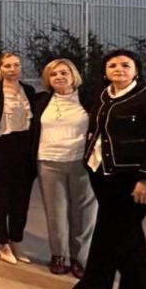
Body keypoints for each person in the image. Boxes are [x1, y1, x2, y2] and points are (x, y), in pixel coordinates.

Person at [74, 50, 146, 289]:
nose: (118, 69)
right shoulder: (102, 96)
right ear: (105, 71)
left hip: (134, 178)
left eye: (125, 65)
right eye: (112, 65)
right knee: (125, 232)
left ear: (136, 70)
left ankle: (96, 287)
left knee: (113, 232)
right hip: (102, 174)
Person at [32, 59, 96, 277]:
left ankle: (81, 258)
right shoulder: (42, 101)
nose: (59, 77)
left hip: (81, 162)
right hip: (49, 162)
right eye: (53, 74)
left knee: (84, 213)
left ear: (73, 75)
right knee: (56, 213)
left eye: (63, 73)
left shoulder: (89, 99)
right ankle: (58, 254)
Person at [0, 52, 36, 265]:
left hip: (24, 150)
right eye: (8, 65)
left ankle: (15, 240)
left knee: (20, 200)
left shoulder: (29, 91)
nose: (13, 69)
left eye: (17, 65)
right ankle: (1, 243)